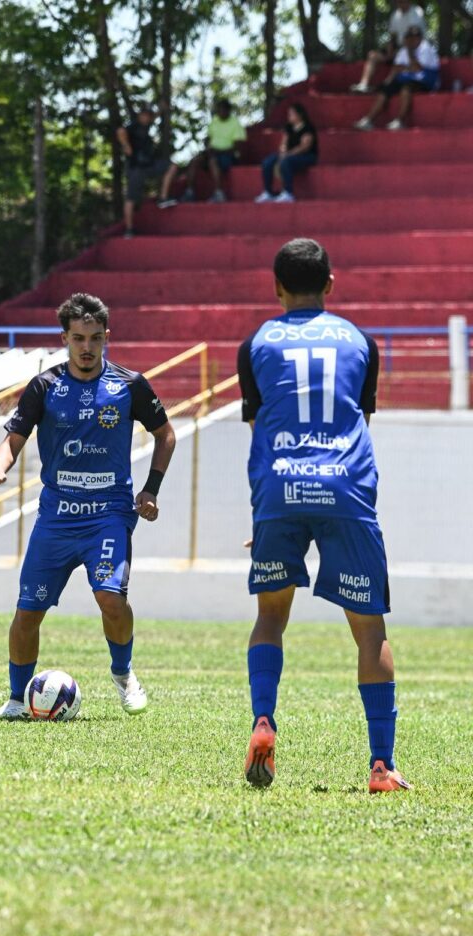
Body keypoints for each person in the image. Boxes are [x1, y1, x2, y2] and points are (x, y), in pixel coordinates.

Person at [236, 238, 411, 793]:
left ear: (276, 287)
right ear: (330, 284)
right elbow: (362, 419)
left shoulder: (255, 344)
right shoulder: (360, 342)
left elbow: (259, 428)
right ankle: (381, 765)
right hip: (345, 487)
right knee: (369, 629)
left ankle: (264, 719)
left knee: (270, 616)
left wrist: (265, 510)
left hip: (278, 489)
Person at [0, 292, 176, 719]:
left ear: (107, 336)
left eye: (94, 338)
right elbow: (12, 440)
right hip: (56, 517)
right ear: (64, 339)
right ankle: (17, 699)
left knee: (110, 598)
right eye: (78, 338)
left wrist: (151, 490)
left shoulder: (129, 384)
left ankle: (124, 674)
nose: (86, 347)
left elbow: (165, 434)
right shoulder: (45, 386)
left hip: (109, 515)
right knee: (27, 611)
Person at [354, 26, 439, 130]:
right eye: (409, 37)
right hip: (406, 78)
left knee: (406, 89)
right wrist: (408, 67)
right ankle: (368, 120)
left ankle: (400, 121)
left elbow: (417, 68)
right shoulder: (404, 50)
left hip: (426, 81)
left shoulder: (426, 48)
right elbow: (396, 68)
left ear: (420, 38)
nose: (412, 40)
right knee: (385, 90)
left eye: (415, 37)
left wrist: (409, 56)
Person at [116, 105, 179, 237]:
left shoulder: (146, 125)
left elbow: (153, 117)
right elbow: (120, 131)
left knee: (171, 166)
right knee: (131, 198)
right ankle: (129, 229)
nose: (147, 118)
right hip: (136, 168)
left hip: (149, 165)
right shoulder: (133, 127)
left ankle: (163, 198)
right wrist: (125, 144)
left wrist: (161, 109)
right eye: (145, 116)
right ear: (140, 116)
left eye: (149, 116)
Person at [350, 0, 426, 94]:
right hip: (397, 47)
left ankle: (385, 86)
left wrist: (398, 52)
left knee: (399, 57)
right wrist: (390, 49)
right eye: (399, 2)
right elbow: (393, 36)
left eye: (403, 2)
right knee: (373, 55)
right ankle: (363, 85)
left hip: (413, 49)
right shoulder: (396, 15)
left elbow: (414, 37)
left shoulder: (416, 12)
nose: (401, 4)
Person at [181, 99, 246, 203]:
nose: (220, 112)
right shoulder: (214, 121)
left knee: (213, 161)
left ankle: (219, 193)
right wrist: (208, 146)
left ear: (228, 110)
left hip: (227, 155)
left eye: (222, 110)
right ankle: (189, 192)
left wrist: (218, 151)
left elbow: (238, 145)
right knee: (195, 161)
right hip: (212, 152)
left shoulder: (235, 123)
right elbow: (209, 138)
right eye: (218, 110)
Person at [255, 103, 318, 204]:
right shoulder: (289, 127)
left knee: (286, 161)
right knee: (267, 162)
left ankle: (288, 193)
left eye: (291, 114)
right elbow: (284, 142)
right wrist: (283, 151)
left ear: (300, 115)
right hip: (289, 154)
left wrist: (287, 154)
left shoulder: (308, 127)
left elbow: (304, 147)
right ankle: (268, 192)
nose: (289, 116)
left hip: (306, 156)